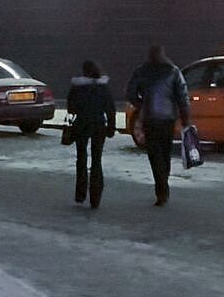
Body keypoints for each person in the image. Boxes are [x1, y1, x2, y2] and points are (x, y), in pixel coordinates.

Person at [125, 45, 190, 206]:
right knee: (165, 151)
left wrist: (142, 105)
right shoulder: (173, 71)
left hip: (150, 118)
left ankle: (160, 187)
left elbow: (130, 92)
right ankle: (164, 184)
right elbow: (182, 95)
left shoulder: (142, 71)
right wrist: (185, 117)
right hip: (168, 118)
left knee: (154, 154)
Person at [66, 60, 116, 209]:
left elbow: (71, 108)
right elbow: (110, 108)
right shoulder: (103, 87)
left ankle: (80, 194)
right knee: (97, 160)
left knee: (81, 158)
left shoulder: (77, 87)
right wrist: (111, 126)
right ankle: (95, 197)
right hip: (99, 125)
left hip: (81, 125)